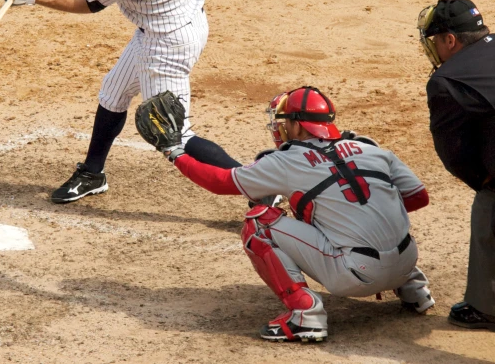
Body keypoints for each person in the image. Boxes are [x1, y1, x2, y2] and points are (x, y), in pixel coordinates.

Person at [1, 0, 237, 204]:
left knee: (175, 136)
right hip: (164, 26)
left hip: (168, 43)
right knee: (113, 94)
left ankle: (258, 187)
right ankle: (92, 173)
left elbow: (90, 3)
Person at [148, 86, 434, 342]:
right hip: (407, 262)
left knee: (258, 224)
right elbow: (418, 197)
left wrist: (175, 152)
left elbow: (220, 182)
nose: (281, 128)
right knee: (372, 218)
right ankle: (414, 291)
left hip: (354, 276)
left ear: (298, 126)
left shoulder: (286, 161)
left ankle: (305, 316)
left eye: (285, 122)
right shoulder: (371, 149)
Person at [419, 0, 495, 334]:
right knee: (491, 199)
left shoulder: (447, 80)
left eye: (435, 40)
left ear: (449, 40)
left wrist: (485, 175)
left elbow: (454, 152)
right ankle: (489, 307)